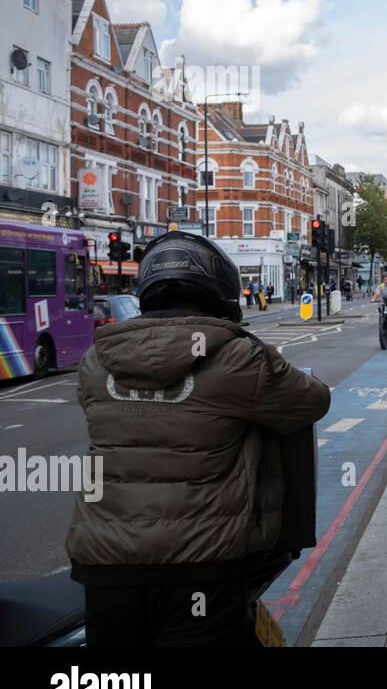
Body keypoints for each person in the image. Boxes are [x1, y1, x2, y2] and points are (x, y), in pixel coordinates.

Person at [66, 230, 331, 646]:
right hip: (202, 564)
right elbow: (311, 401)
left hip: (105, 567)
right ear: (221, 294)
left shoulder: (96, 362)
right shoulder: (239, 357)